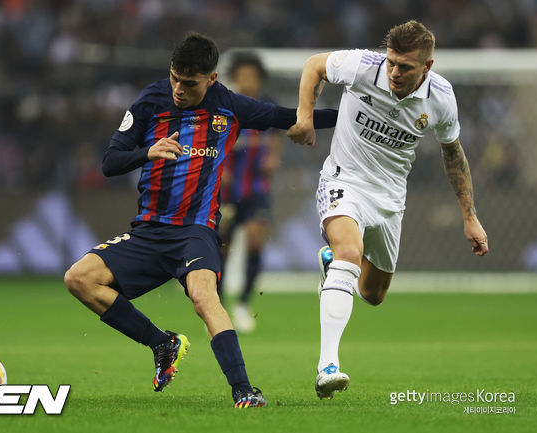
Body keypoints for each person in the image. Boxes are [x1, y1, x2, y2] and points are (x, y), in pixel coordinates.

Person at [64, 32, 338, 408]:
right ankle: (162, 343)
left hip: (196, 232)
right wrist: (148, 151)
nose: (178, 88)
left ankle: (243, 389)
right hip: (149, 230)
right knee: (79, 278)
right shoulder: (151, 100)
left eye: (188, 83)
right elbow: (110, 162)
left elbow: (284, 117)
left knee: (204, 297)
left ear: (211, 79)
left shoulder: (229, 105)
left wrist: (349, 119)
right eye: (175, 78)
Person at [287, 20, 489, 400]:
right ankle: (327, 366)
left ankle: (333, 264)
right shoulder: (364, 66)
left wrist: (469, 215)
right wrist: (304, 116)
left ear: (426, 67)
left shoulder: (441, 97)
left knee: (373, 294)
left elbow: (453, 153)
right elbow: (315, 64)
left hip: (391, 197)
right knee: (350, 254)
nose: (394, 72)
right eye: (392, 62)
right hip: (343, 180)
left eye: (405, 67)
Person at [219, 53, 283, 333]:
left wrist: (274, 158)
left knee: (256, 240)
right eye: (241, 75)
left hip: (257, 187)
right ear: (235, 78)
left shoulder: (267, 107)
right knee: (222, 247)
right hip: (225, 190)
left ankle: (244, 303)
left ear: (258, 78)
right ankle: (218, 304)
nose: (246, 81)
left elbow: (279, 133)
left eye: (251, 75)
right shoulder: (225, 107)